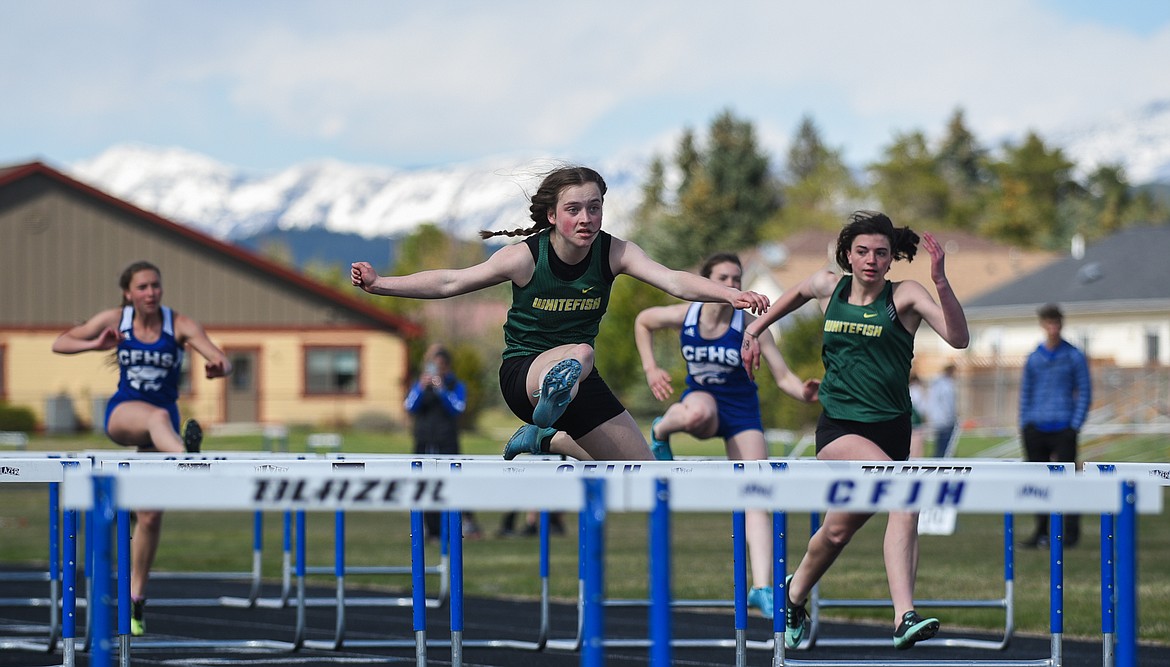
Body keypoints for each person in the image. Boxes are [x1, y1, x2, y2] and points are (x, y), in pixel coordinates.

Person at [352, 165, 769, 462]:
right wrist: (380, 283)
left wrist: (727, 295)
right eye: (574, 210)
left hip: (577, 383)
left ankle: (545, 440)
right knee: (581, 353)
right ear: (552, 216)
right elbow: (450, 282)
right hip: (526, 378)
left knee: (644, 474)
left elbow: (673, 280)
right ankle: (546, 408)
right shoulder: (524, 258)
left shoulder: (615, 252)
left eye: (595, 207)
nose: (586, 219)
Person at [741, 211, 969, 650]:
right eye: (862, 251)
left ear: (890, 259)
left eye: (881, 253)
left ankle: (792, 593)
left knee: (838, 532)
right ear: (847, 254)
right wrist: (754, 329)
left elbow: (958, 339)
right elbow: (793, 295)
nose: (871, 260)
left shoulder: (905, 296)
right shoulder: (830, 285)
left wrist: (940, 281)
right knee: (905, 496)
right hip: (840, 429)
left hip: (891, 429)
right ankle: (904, 615)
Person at [633, 251, 819, 619]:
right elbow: (642, 321)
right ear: (705, 281)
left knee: (757, 493)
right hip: (701, 403)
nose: (732, 285)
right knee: (700, 409)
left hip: (742, 413)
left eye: (737, 279)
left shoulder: (749, 325)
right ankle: (661, 429)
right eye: (723, 278)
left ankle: (762, 586)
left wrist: (804, 392)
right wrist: (651, 368)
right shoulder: (685, 315)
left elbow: (782, 375)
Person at [51, 260, 232, 636]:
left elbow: (220, 357)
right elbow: (60, 342)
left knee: (149, 515)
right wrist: (94, 344)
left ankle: (136, 599)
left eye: (155, 286)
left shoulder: (178, 323)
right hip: (126, 415)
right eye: (143, 287)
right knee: (156, 420)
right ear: (128, 293)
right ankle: (187, 462)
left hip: (162, 431)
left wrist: (218, 367)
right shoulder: (116, 318)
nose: (150, 293)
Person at [1018, 303, 1091, 549]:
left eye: (1056, 323)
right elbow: (1026, 391)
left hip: (1064, 427)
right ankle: (1041, 532)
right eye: (1049, 323)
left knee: (1068, 481)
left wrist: (1075, 424)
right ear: (1043, 325)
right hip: (1036, 427)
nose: (1053, 328)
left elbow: (1084, 391)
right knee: (1038, 484)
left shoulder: (1074, 356)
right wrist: (1025, 422)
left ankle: (1070, 534)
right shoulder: (1034, 357)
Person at [404, 343, 481, 540]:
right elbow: (409, 406)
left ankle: (465, 523)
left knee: (455, 483)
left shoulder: (455, 385)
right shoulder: (420, 384)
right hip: (423, 441)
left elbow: (457, 409)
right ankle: (433, 529)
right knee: (425, 485)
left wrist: (442, 390)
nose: (435, 371)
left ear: (446, 367)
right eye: (432, 366)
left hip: (447, 442)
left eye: (439, 366)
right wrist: (421, 387)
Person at [926, 364, 958, 458]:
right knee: (944, 447)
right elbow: (948, 403)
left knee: (940, 445)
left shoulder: (937, 384)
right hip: (945, 419)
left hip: (937, 418)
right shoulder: (946, 385)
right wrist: (950, 417)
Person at [907, 372, 929, 458]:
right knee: (917, 447)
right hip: (916, 421)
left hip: (910, 421)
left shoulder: (908, 390)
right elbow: (922, 407)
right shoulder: (916, 390)